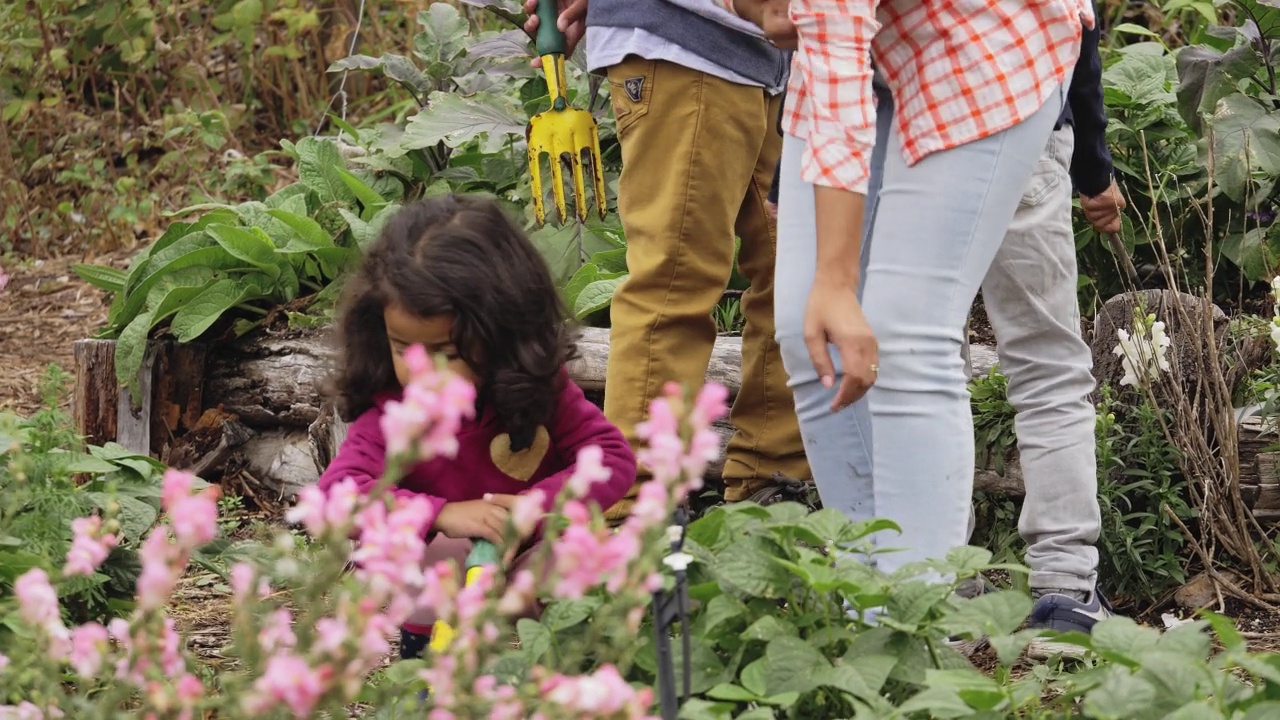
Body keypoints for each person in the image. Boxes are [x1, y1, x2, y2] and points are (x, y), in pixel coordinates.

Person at [755, 0, 1127, 656]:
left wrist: (837, 281)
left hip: (988, 65)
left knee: (916, 338)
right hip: (875, 71)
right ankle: (877, 603)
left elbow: (836, 34)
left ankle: (949, 622)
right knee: (808, 332)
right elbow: (809, 34)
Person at [523, 0, 812, 520]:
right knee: (678, 275)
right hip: (687, 51)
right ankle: (637, 505)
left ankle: (768, 482)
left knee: (791, 275)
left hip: (763, 62)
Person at [319, 195, 638, 660]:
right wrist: (440, 514)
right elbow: (337, 497)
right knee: (439, 559)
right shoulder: (394, 414)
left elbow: (611, 457)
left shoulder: (537, 389)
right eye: (400, 346)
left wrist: (536, 508)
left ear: (502, 331)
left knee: (569, 564)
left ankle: (567, 677)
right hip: (442, 569)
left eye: (446, 352)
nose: (420, 370)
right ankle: (432, 680)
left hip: (528, 551)